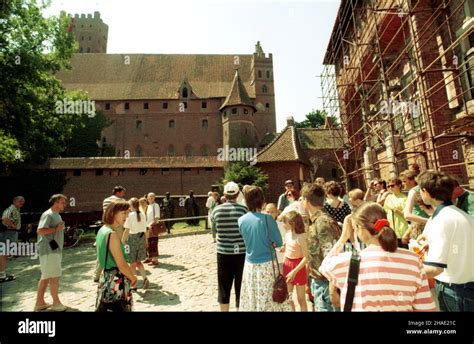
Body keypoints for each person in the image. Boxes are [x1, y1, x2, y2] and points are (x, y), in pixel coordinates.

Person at [319, 202, 437, 311]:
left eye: (355, 228)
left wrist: (343, 237)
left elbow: (325, 266)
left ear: (360, 229)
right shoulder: (413, 260)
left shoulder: (349, 261)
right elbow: (425, 307)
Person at [417, 170, 474, 312]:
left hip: (454, 291)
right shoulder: (462, 215)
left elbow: (435, 269)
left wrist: (406, 270)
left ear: (426, 192)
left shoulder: (441, 220)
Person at [238, 186, 291, 311]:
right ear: (262, 200)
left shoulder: (241, 220)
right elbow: (278, 243)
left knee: (253, 298)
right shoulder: (267, 219)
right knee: (268, 299)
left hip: (250, 265)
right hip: (267, 265)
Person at [301, 183, 341, 312]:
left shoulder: (323, 222)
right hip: (319, 282)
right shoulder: (315, 221)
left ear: (306, 200)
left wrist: (333, 289)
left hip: (326, 284)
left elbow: (333, 257)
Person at [210, 182, 248, 311]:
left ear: (224, 194)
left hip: (223, 253)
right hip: (241, 253)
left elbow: (214, 228)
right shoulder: (244, 210)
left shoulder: (216, 210)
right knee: (240, 286)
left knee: (223, 287)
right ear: (237, 194)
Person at [95, 200, 137, 312]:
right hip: (115, 279)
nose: (127, 216)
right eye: (123, 213)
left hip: (106, 277)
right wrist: (133, 277)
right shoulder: (111, 234)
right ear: (112, 213)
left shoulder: (102, 230)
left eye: (127, 213)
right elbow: (121, 264)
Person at [34, 194, 69, 312]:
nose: (65, 204)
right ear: (56, 202)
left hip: (52, 248)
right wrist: (56, 230)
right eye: (63, 202)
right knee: (54, 276)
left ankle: (40, 303)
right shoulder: (48, 214)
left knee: (46, 276)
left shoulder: (56, 215)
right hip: (49, 249)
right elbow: (40, 230)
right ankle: (56, 303)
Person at [94, 186, 126, 282]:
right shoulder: (120, 200)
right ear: (119, 192)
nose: (124, 194)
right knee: (118, 249)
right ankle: (120, 271)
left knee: (103, 249)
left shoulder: (105, 200)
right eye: (123, 192)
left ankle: (97, 274)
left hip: (107, 225)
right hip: (117, 226)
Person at [281, 211, 308, 312]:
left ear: (292, 223)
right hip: (288, 265)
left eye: (285, 222)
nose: (283, 224)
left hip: (298, 268)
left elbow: (306, 257)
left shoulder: (301, 237)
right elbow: (287, 249)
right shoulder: (287, 234)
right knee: (289, 297)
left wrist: (294, 271)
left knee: (301, 299)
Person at [122, 198, 149, 289]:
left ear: (131, 206)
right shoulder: (142, 214)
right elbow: (145, 229)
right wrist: (146, 240)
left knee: (132, 263)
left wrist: (123, 240)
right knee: (139, 261)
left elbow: (127, 230)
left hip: (133, 239)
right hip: (141, 238)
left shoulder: (130, 216)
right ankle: (145, 278)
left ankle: (134, 284)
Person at [402, 170, 431, 244]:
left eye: (404, 181)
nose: (403, 184)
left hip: (420, 228)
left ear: (412, 180)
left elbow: (407, 215)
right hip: (428, 225)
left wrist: (428, 221)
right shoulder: (426, 189)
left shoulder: (413, 191)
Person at [1, 196, 25, 282]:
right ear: (14, 201)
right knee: (3, 253)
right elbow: (5, 219)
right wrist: (14, 226)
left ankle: (2, 274)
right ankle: (2, 275)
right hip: (8, 232)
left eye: (23, 201)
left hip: (11, 233)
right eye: (20, 201)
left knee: (5, 254)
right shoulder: (11, 209)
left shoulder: (16, 210)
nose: (21, 203)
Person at [383, 178, 409, 247]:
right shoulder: (388, 198)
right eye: (388, 186)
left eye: (392, 185)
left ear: (399, 185)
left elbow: (407, 216)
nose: (390, 188)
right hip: (392, 232)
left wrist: (395, 209)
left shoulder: (405, 199)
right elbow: (385, 212)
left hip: (402, 231)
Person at [146, 192, 160, 266]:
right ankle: (150, 257)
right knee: (149, 243)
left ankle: (155, 260)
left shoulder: (156, 205)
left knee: (153, 243)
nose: (150, 198)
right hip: (148, 227)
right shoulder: (148, 206)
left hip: (153, 227)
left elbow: (157, 217)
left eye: (152, 197)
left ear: (154, 198)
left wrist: (152, 224)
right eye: (149, 197)